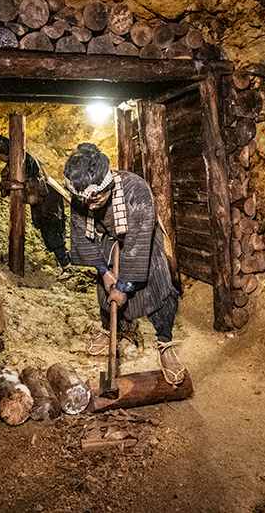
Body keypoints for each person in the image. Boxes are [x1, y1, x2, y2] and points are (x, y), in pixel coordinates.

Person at [62, 143, 185, 386]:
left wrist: (124, 285)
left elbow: (138, 242)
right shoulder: (83, 197)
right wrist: (104, 272)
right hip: (111, 240)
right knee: (104, 293)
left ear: (106, 185)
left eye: (96, 197)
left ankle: (165, 343)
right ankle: (110, 331)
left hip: (143, 241)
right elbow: (81, 235)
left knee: (158, 292)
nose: (91, 205)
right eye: (83, 199)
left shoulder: (134, 190)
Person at [0, 135, 70, 267]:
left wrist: (12, 185)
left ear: (4, 151)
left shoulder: (22, 160)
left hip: (47, 199)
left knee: (51, 230)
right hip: (44, 199)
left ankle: (64, 260)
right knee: (49, 229)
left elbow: (26, 183)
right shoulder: (19, 159)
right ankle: (63, 258)